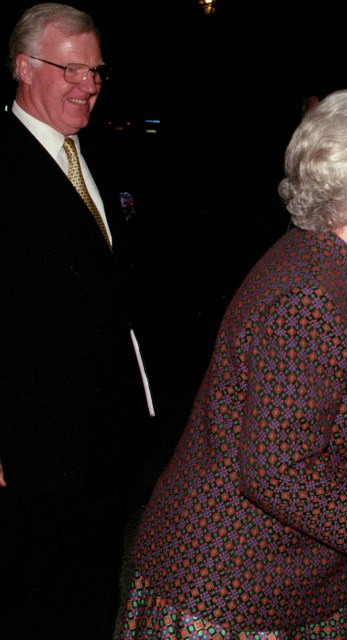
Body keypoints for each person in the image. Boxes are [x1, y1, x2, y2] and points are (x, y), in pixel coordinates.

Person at [118, 89, 347, 638]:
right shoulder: (306, 300)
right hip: (231, 583)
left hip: (279, 571)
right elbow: (275, 470)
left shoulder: (339, 270)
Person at [0, 4, 156, 637]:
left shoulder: (100, 159)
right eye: (71, 69)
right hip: (28, 442)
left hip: (102, 434)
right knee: (27, 598)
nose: (88, 85)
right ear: (23, 67)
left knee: (92, 590)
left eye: (95, 72)